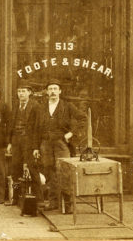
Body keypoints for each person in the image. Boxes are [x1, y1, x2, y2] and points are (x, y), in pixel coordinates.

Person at [33, 79, 85, 211]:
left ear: (60, 91)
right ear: (46, 92)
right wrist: (35, 147)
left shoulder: (67, 106)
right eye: (50, 89)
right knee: (49, 172)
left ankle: (68, 205)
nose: (53, 91)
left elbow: (83, 119)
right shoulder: (41, 107)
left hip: (61, 143)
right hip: (45, 144)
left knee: (65, 172)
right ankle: (53, 202)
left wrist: (71, 133)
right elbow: (35, 129)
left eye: (55, 89)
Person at [6, 79, 42, 205]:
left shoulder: (35, 106)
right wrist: (10, 142)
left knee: (32, 169)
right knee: (15, 169)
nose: (21, 94)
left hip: (29, 142)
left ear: (29, 93)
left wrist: (36, 146)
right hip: (16, 141)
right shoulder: (16, 105)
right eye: (19, 91)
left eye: (23, 91)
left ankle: (39, 199)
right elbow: (12, 125)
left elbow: (38, 127)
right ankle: (15, 198)